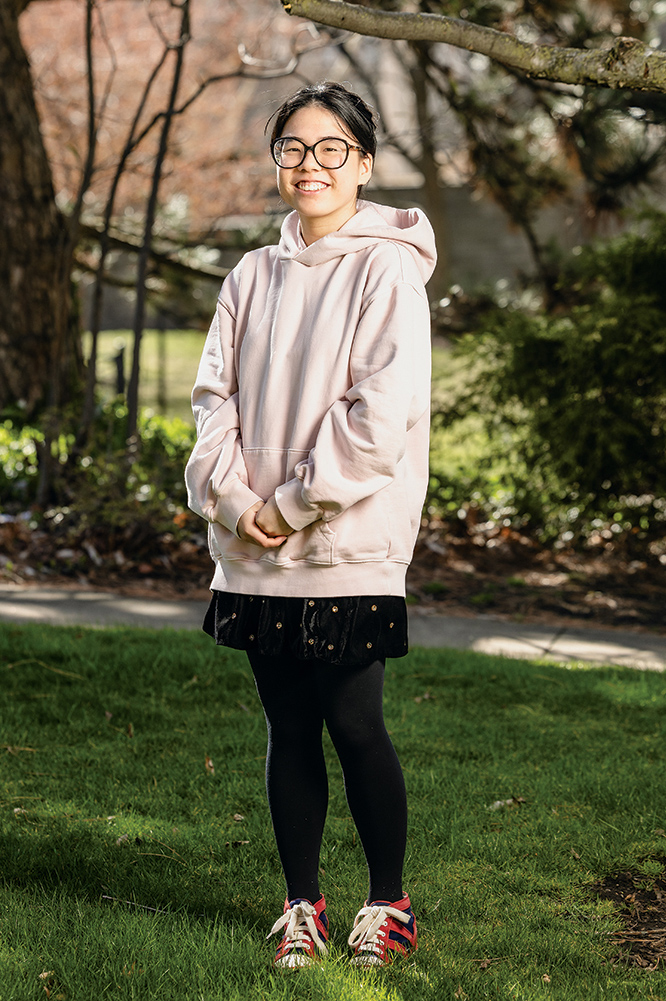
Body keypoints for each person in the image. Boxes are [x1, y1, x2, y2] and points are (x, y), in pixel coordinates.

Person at [185, 81, 436, 969]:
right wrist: (232, 500)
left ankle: (387, 902)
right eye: (293, 148)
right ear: (276, 162)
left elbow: (380, 416)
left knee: (354, 720)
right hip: (252, 542)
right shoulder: (251, 273)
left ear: (364, 164)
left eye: (332, 149)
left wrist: (289, 505)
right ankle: (302, 904)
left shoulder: (388, 269)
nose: (311, 165)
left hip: (342, 543)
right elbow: (214, 402)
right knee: (286, 726)